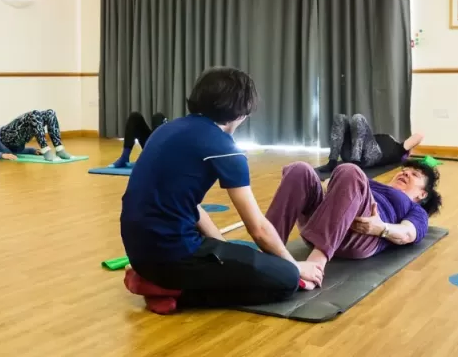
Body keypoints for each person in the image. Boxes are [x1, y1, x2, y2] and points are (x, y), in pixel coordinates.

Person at [121, 67, 325, 314]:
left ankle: (156, 279)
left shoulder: (167, 130)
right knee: (285, 280)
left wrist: (225, 250)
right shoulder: (223, 147)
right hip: (171, 256)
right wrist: (295, 266)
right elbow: (258, 229)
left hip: (138, 251)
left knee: (238, 260)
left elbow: (189, 204)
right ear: (241, 113)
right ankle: (170, 289)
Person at [266, 159, 441, 268]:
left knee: (350, 170)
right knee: (299, 169)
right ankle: (269, 248)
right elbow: (329, 187)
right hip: (325, 220)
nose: (405, 173)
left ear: (422, 194)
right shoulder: (370, 184)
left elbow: (407, 233)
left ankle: (316, 263)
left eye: (414, 174)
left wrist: (381, 228)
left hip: (362, 235)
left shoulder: (416, 210)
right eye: (404, 170)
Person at [317, 112, 424, 173]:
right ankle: (332, 162)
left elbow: (419, 136)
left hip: (371, 156)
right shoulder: (376, 138)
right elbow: (360, 134)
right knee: (340, 118)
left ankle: (355, 163)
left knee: (358, 118)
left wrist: (408, 148)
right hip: (352, 152)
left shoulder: (399, 148)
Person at [0, 109, 70, 161]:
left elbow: (15, 150)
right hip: (5, 135)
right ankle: (46, 149)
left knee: (50, 113)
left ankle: (59, 148)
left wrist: (32, 151)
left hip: (14, 140)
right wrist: (1, 155)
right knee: (34, 115)